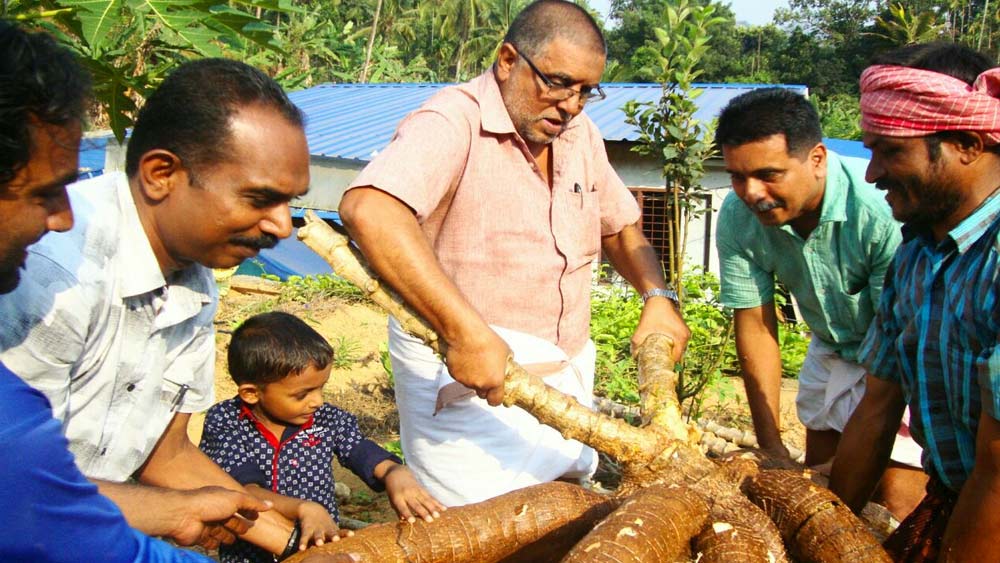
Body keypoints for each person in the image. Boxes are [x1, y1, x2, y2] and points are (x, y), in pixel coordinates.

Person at [0, 21, 357, 563]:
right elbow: (28, 497)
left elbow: (165, 456)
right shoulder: (51, 272)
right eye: (261, 198)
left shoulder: (194, 280)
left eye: (290, 201)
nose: (283, 226)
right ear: (162, 174)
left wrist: (290, 546)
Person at [337, 0, 690, 506]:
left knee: (563, 512)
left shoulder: (579, 135)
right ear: (507, 60)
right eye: (558, 82)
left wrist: (657, 295)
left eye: (586, 91)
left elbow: (621, 226)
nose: (571, 104)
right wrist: (465, 332)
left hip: (564, 379)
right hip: (467, 376)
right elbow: (370, 210)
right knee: (477, 530)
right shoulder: (452, 119)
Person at [713, 88, 927, 519]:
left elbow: (894, 350)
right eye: (737, 176)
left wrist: (850, 469)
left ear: (816, 159)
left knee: (895, 502)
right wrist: (771, 447)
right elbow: (755, 324)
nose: (751, 192)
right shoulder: (739, 216)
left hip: (901, 359)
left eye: (768, 174)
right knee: (814, 495)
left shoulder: (881, 214)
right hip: (830, 348)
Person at [828, 42, 1000, 562]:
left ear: (967, 143)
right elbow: (877, 407)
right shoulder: (917, 254)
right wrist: (820, 526)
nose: (873, 173)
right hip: (958, 496)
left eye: (890, 151)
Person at [200, 311, 446, 563]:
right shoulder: (227, 421)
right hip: (249, 555)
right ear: (251, 393)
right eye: (302, 394)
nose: (317, 401)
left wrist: (395, 472)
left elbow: (360, 451)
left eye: (321, 387)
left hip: (321, 551)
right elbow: (245, 492)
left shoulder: (326, 419)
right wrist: (304, 508)